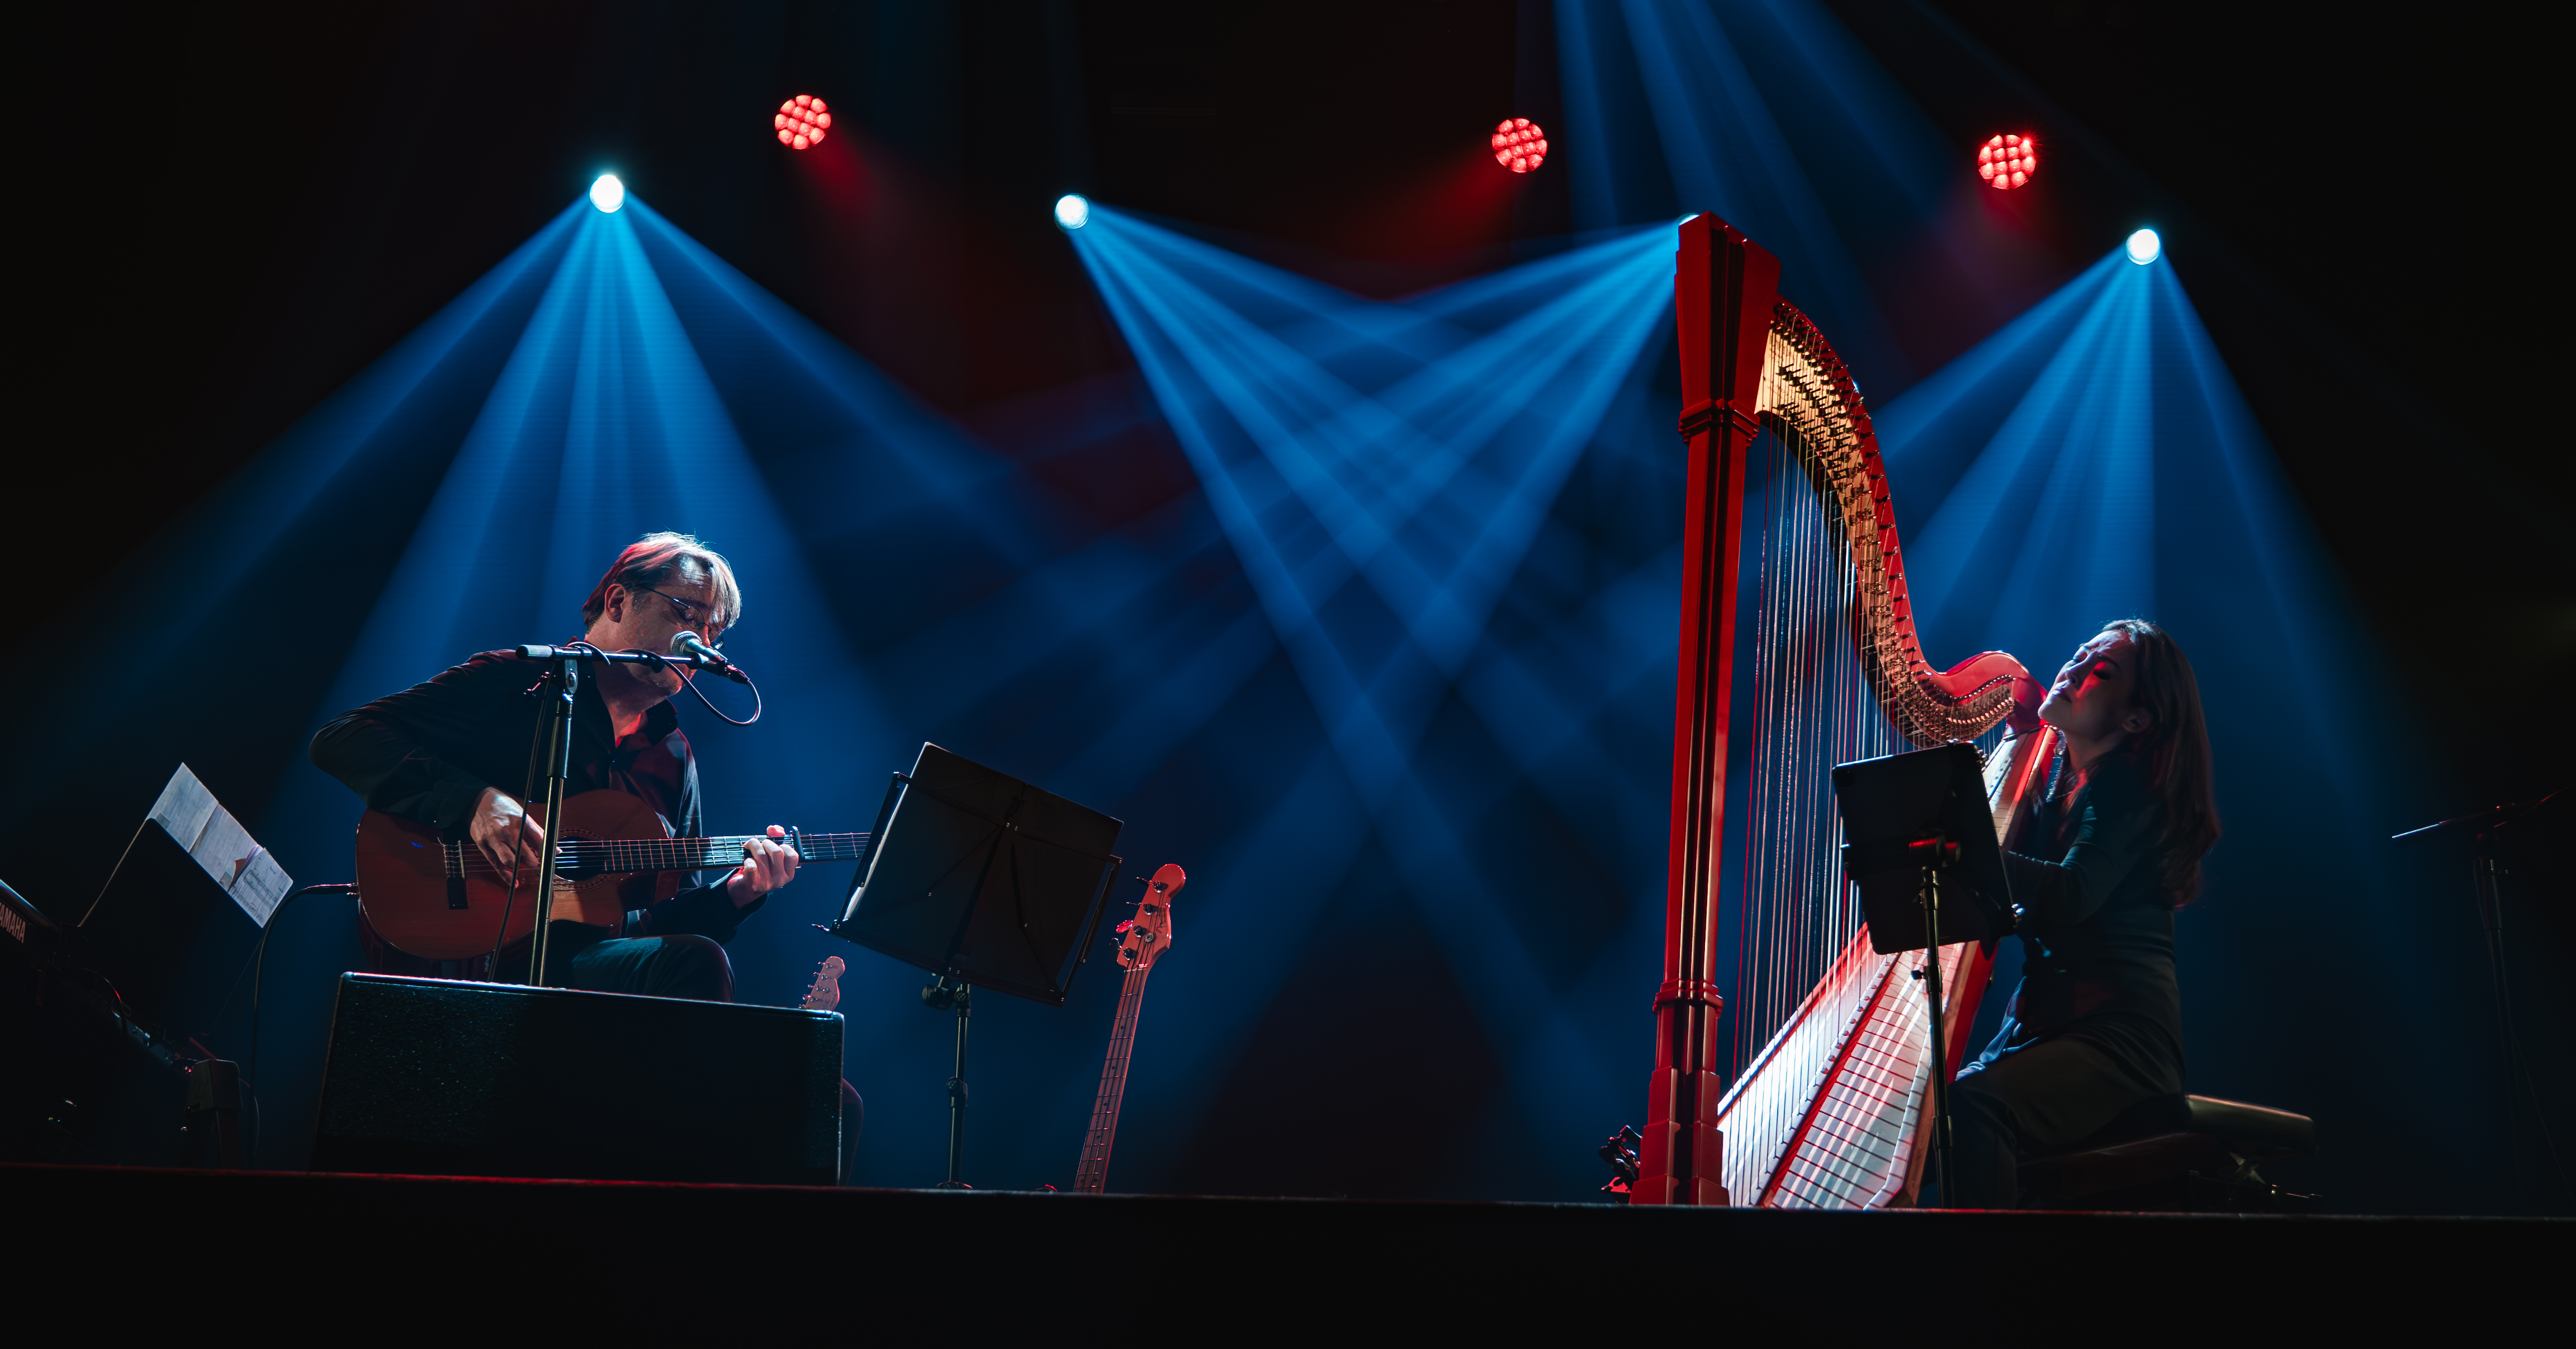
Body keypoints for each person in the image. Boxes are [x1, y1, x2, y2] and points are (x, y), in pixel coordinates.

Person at [310, 531, 861, 1171]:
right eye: (687, 613)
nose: (702, 642)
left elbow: (659, 925)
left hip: (590, 975)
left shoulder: (673, 757)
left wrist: (738, 894)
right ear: (619, 601)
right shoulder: (519, 684)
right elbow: (343, 737)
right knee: (697, 966)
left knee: (833, 1104)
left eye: (714, 630)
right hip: (478, 956)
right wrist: (473, 802)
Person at [1947, 618, 2221, 1208]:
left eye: (2102, 670)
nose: (2075, 668)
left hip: (2120, 1043)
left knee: (1974, 1106)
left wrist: (1966, 851)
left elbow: (2072, 893)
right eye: (2079, 654)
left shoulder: (2128, 789)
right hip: (2051, 1025)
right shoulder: (2056, 792)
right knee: (1928, 1120)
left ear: (2137, 718)